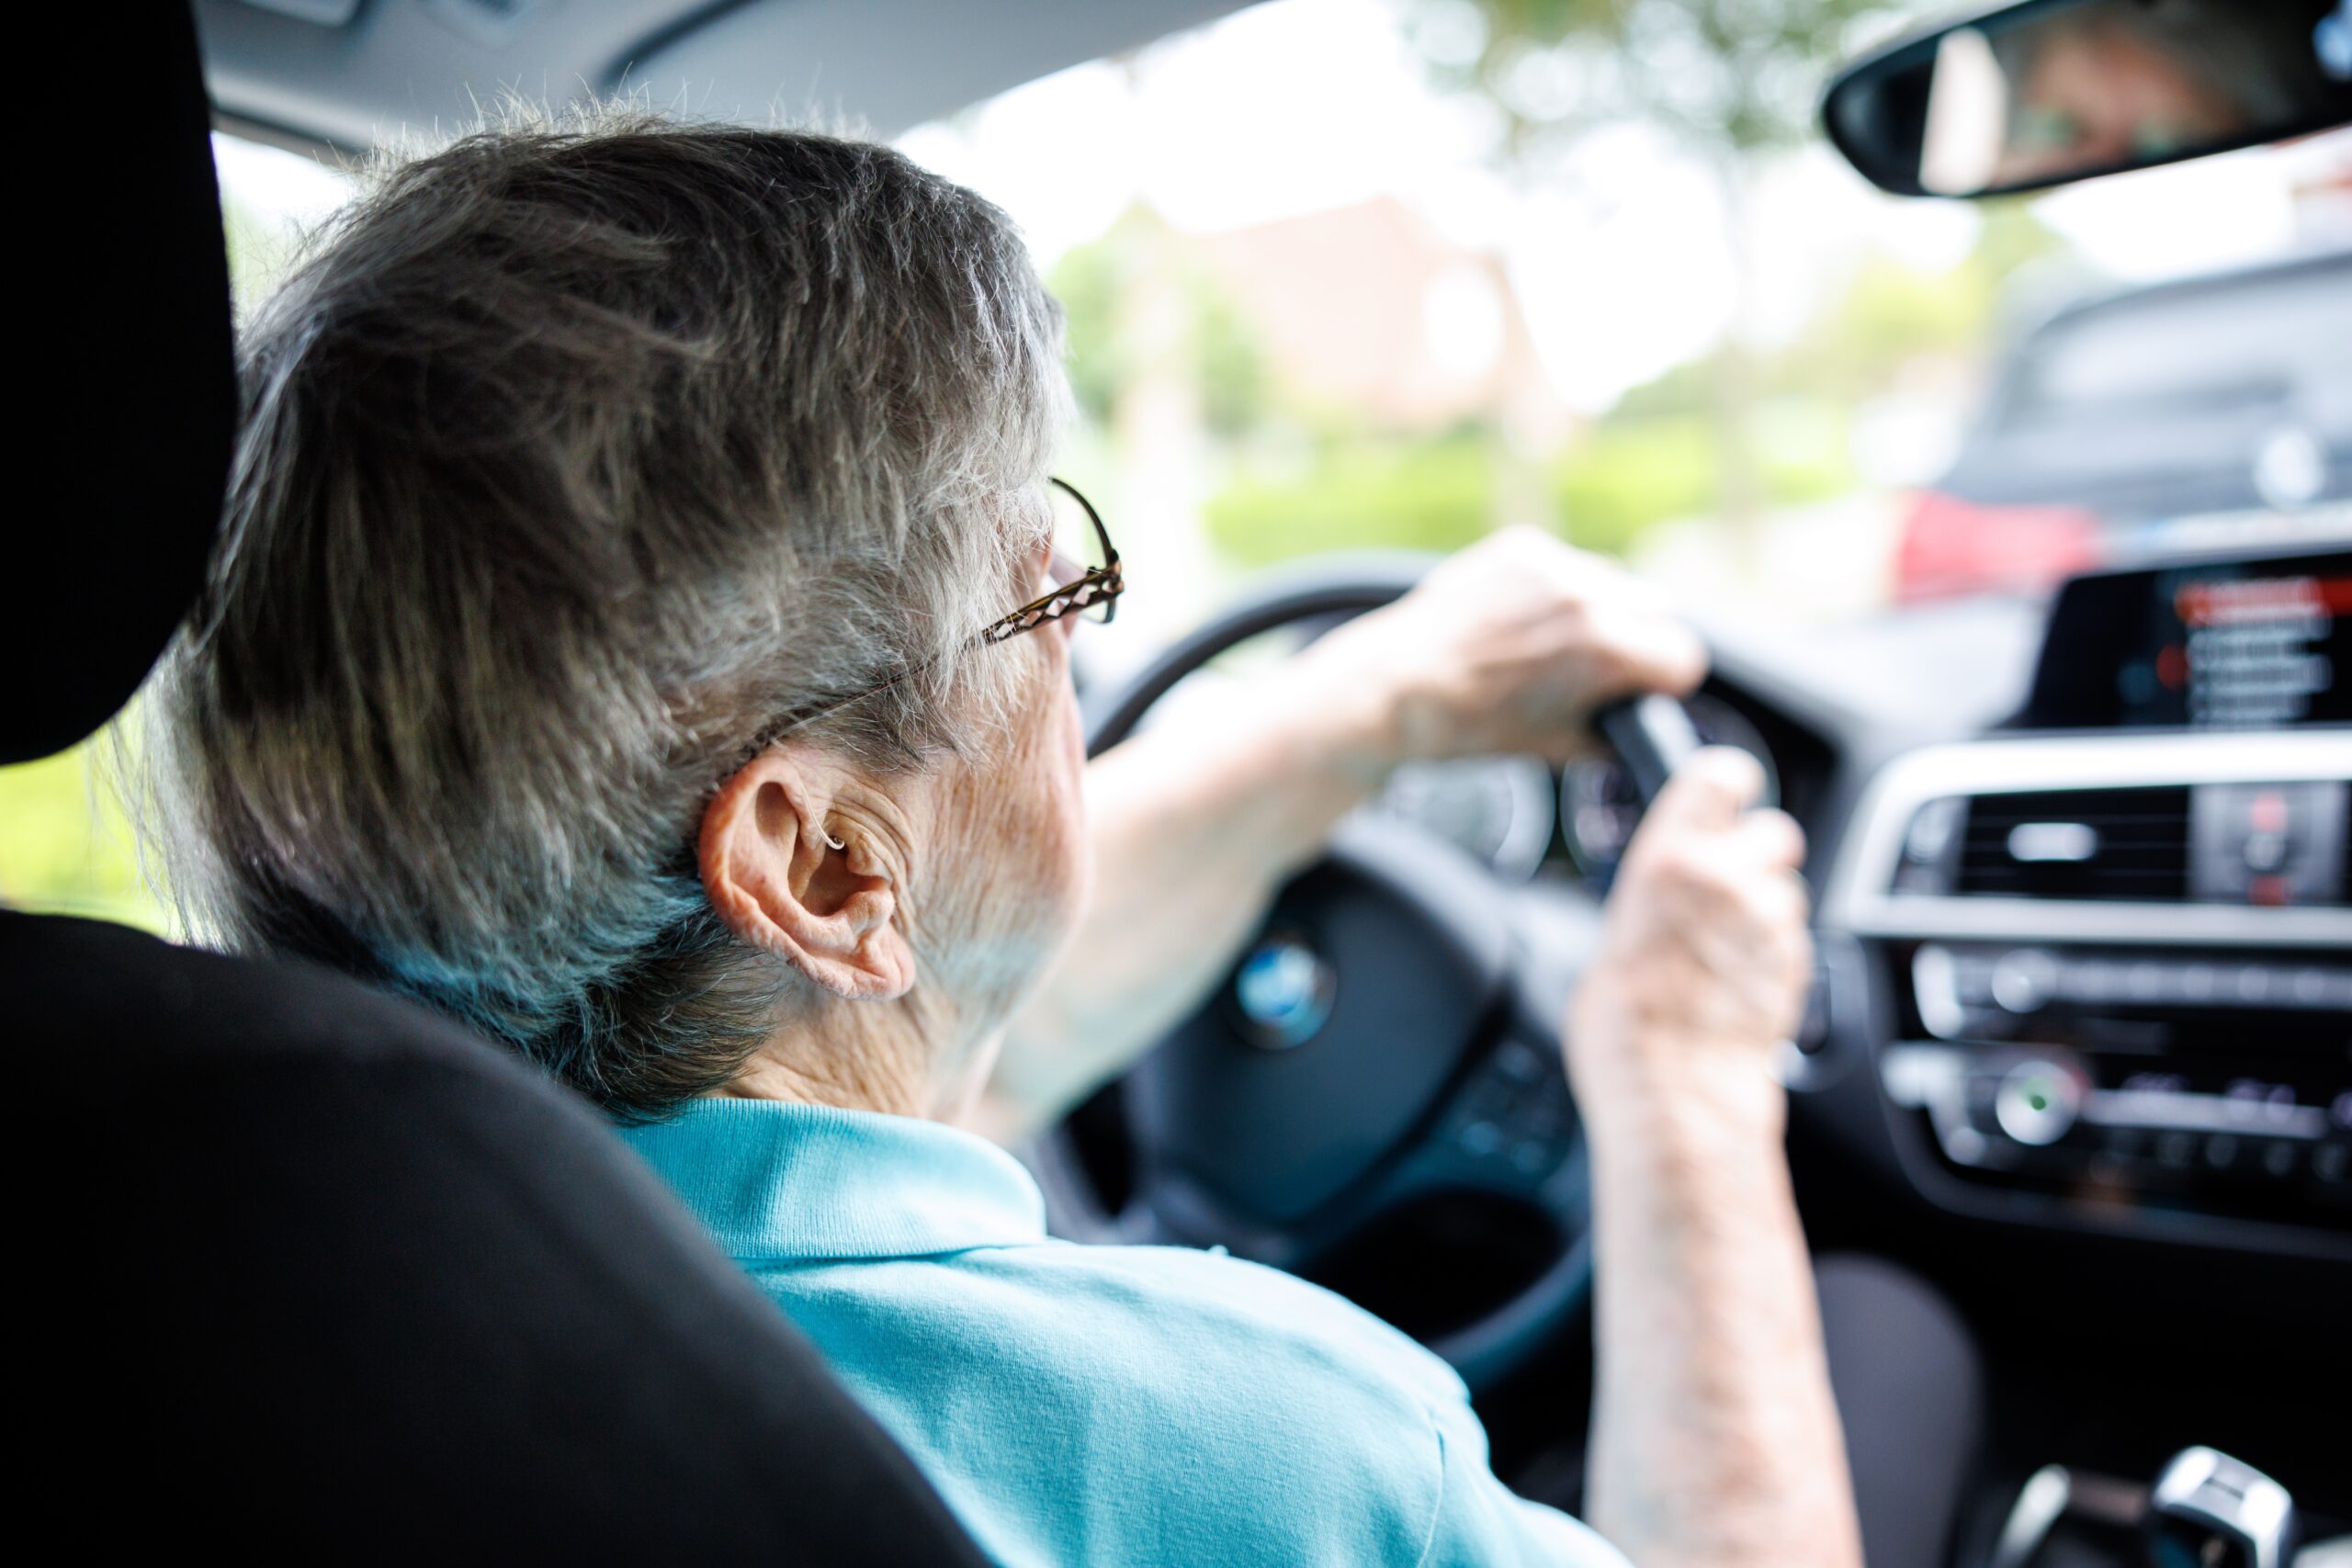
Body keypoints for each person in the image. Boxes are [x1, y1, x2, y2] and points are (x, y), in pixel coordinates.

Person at [146, 118, 1869, 1568]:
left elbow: (856, 1051)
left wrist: (1365, 714)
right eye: (1050, 594)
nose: (1078, 655)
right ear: (824, 870)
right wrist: (1688, 1092)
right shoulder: (1277, 1458)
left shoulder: (185, 1282)